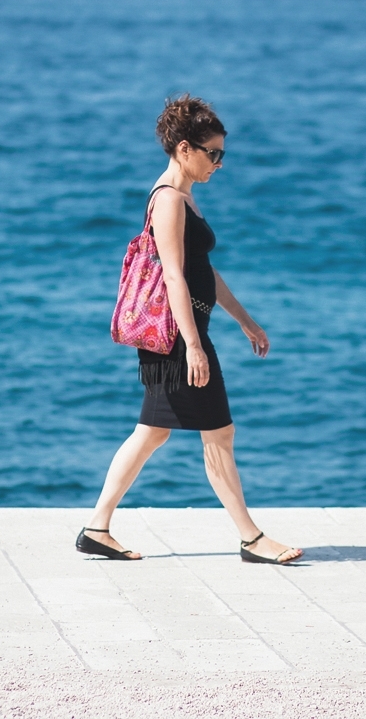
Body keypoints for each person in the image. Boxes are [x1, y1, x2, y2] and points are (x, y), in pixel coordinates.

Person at [77, 95, 303, 565]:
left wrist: (245, 320)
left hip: (186, 334)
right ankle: (251, 539)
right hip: (179, 339)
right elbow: (175, 277)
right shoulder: (168, 201)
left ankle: (97, 528)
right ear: (185, 149)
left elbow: (203, 271)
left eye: (222, 154)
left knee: (152, 433)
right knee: (218, 434)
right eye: (212, 153)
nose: (219, 163)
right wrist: (195, 347)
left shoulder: (184, 197)